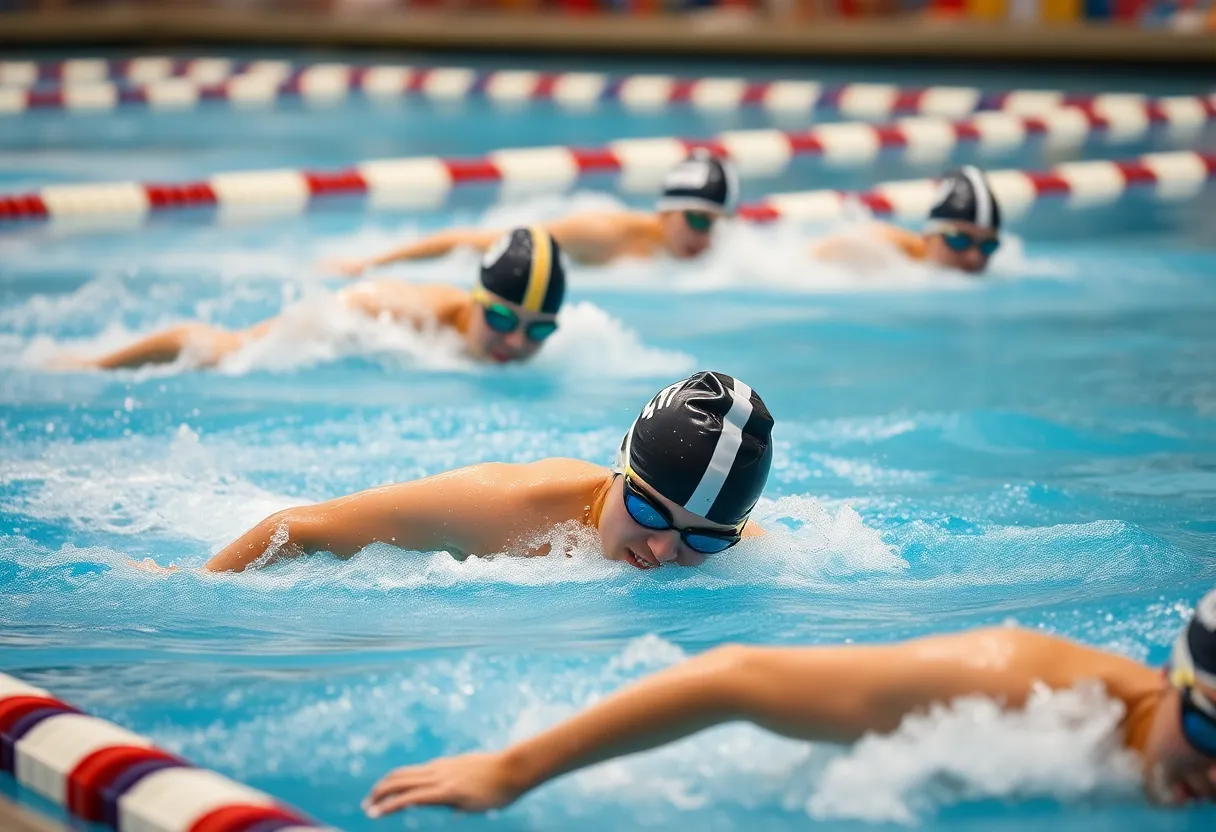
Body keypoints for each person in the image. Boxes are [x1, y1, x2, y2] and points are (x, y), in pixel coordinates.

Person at [363, 588, 1216, 817]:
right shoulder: (1012, 688)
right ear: (1175, 679)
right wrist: (513, 771)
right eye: (1208, 730)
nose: (1211, 773)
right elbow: (735, 677)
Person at [203, 370, 773, 572]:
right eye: (647, 509)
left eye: (701, 537)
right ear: (618, 467)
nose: (663, 550)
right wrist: (193, 594)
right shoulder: (499, 510)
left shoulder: (742, 550)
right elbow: (300, 528)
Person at [64, 226, 566, 370]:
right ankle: (94, 364)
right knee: (225, 352)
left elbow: (462, 235)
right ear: (476, 299)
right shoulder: (404, 316)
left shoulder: (495, 343)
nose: (517, 340)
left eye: (538, 329)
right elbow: (351, 309)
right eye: (501, 318)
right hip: (345, 315)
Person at [321, 150, 738, 275]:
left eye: (715, 225)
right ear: (666, 212)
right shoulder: (601, 233)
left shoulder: (690, 259)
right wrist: (370, 263)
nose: (705, 238)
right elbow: (474, 242)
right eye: (699, 220)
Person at [814, 165, 1002, 276]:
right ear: (928, 235)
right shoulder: (887, 249)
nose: (974, 257)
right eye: (959, 240)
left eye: (988, 245)